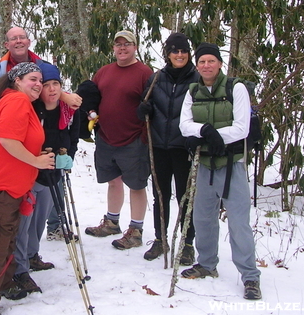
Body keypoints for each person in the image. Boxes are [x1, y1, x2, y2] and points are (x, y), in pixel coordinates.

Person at [0, 62, 55, 315]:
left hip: (8, 189)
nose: (38, 83)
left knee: (4, 242)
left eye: (40, 79)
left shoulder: (18, 101)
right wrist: (37, 161)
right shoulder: (16, 100)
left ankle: (5, 285)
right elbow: (7, 139)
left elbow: (16, 140)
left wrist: (36, 154)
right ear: (17, 80)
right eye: (32, 79)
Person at [178, 42, 262, 300]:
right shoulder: (193, 90)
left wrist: (214, 135)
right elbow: (184, 125)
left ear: (220, 63)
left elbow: (241, 128)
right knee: (203, 218)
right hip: (204, 164)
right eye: (202, 61)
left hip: (232, 162)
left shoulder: (236, 88)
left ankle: (250, 276)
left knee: (238, 222)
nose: (206, 66)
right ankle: (206, 263)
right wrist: (203, 132)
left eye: (210, 61)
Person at [13, 62, 80, 294]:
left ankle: (32, 256)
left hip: (53, 174)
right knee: (24, 224)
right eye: (47, 84)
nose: (52, 90)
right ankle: (19, 269)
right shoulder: (32, 110)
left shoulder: (68, 111)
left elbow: (73, 138)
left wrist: (67, 158)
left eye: (56, 85)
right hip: (31, 174)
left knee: (39, 221)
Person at [84, 30, 153, 250]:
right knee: (113, 181)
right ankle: (112, 222)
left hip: (134, 139)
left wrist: (143, 136)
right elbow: (93, 99)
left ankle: (136, 230)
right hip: (106, 137)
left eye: (127, 44)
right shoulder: (104, 72)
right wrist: (91, 113)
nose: (122, 48)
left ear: (135, 47)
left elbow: (152, 106)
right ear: (113, 48)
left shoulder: (144, 73)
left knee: (136, 184)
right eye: (118, 44)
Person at [137, 33, 199, 264]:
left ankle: (187, 243)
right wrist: (143, 110)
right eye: (175, 51)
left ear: (189, 53)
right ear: (168, 54)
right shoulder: (157, 78)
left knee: (186, 196)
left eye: (183, 50)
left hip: (184, 147)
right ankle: (161, 240)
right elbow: (148, 102)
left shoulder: (197, 79)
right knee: (160, 195)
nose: (179, 55)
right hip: (160, 146)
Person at [0, 26, 82, 110]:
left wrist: (64, 96)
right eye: (13, 39)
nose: (18, 41)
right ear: (7, 45)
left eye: (22, 37)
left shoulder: (44, 66)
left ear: (29, 42)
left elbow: (52, 90)